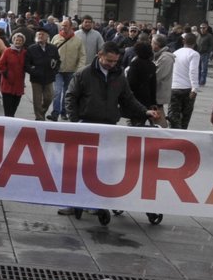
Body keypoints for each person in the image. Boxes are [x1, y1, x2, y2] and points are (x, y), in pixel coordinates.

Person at [62, 42, 160, 225]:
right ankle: (74, 203)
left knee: (103, 167)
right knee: (82, 167)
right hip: (87, 124)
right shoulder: (84, 73)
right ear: (100, 54)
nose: (112, 64)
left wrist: (145, 111)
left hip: (108, 125)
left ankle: (96, 200)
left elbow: (127, 98)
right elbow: (71, 96)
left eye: (115, 61)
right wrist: (74, 122)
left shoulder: (118, 75)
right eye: (109, 60)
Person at [168, 32, 202, 130]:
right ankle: (182, 133)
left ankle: (174, 133)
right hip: (187, 88)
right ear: (195, 43)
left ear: (183, 41)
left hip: (174, 87)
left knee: (173, 115)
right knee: (185, 116)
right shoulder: (194, 54)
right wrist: (195, 88)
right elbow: (193, 71)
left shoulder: (175, 53)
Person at [24, 30, 61, 121]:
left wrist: (55, 71)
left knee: (49, 98)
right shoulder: (31, 48)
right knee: (37, 100)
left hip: (49, 77)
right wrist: (33, 71)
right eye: (39, 34)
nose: (40, 36)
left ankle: (42, 112)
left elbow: (58, 61)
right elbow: (26, 64)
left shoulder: (53, 48)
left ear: (47, 37)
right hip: (36, 78)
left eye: (42, 34)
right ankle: (39, 118)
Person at [0, 32, 28, 117]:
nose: (18, 42)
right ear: (13, 40)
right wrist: (6, 73)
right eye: (16, 40)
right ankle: (7, 124)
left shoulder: (25, 53)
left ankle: (11, 123)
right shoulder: (7, 51)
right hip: (8, 84)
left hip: (19, 85)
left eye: (20, 40)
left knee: (14, 107)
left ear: (23, 42)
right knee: (8, 109)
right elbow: (0, 65)